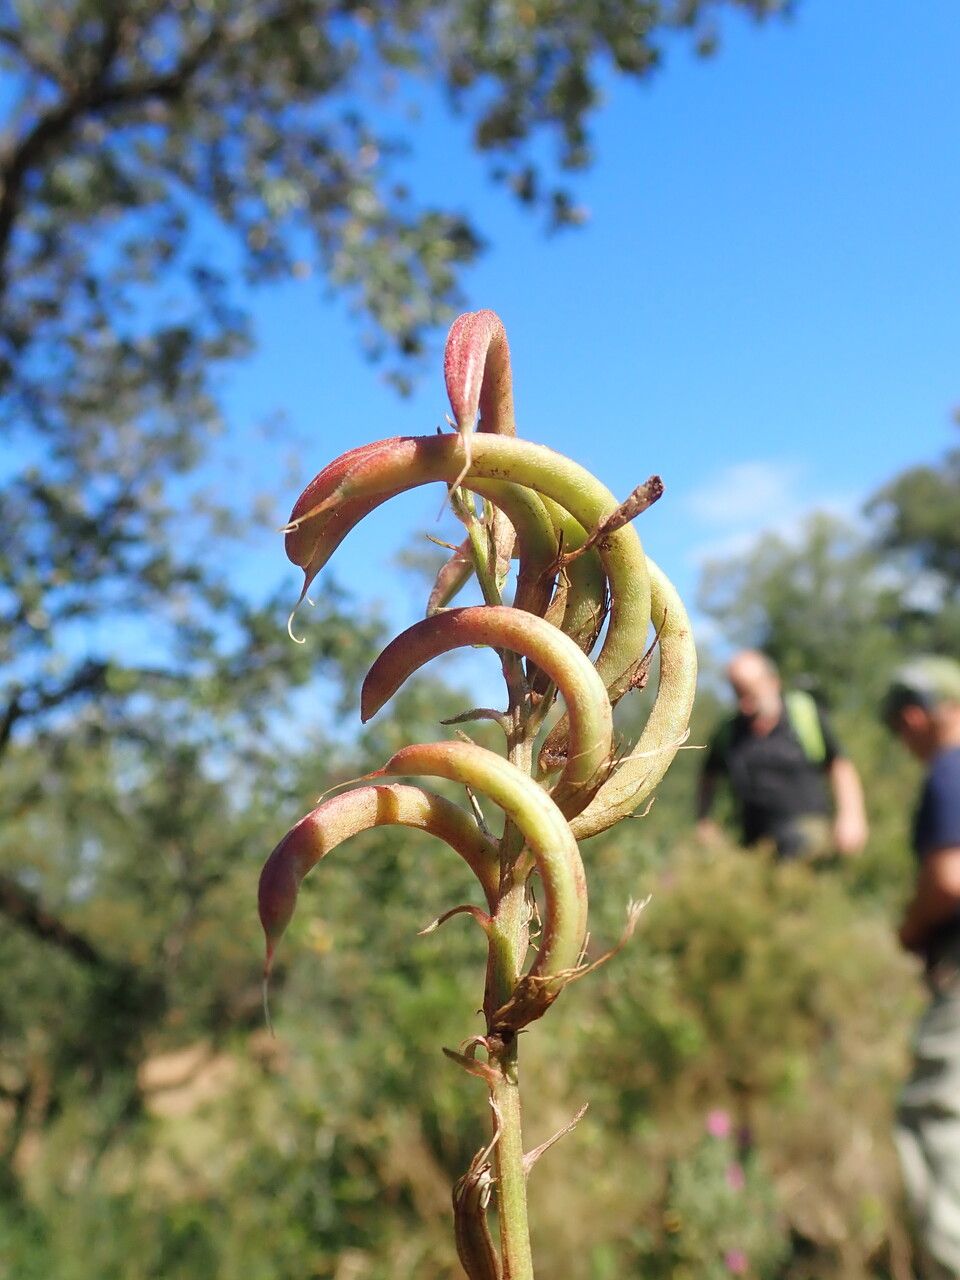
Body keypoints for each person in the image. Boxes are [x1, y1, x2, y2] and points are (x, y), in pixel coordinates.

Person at [883, 657, 960, 1280]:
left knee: (938, 1119)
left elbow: (950, 877)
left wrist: (910, 927)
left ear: (916, 716)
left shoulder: (950, 769)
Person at [696, 649, 868, 861]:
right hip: (754, 849)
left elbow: (839, 765)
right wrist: (705, 822)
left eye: (750, 694)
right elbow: (708, 777)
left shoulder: (803, 715)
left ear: (773, 683)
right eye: (737, 694)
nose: (744, 705)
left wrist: (851, 816)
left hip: (811, 842)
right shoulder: (729, 731)